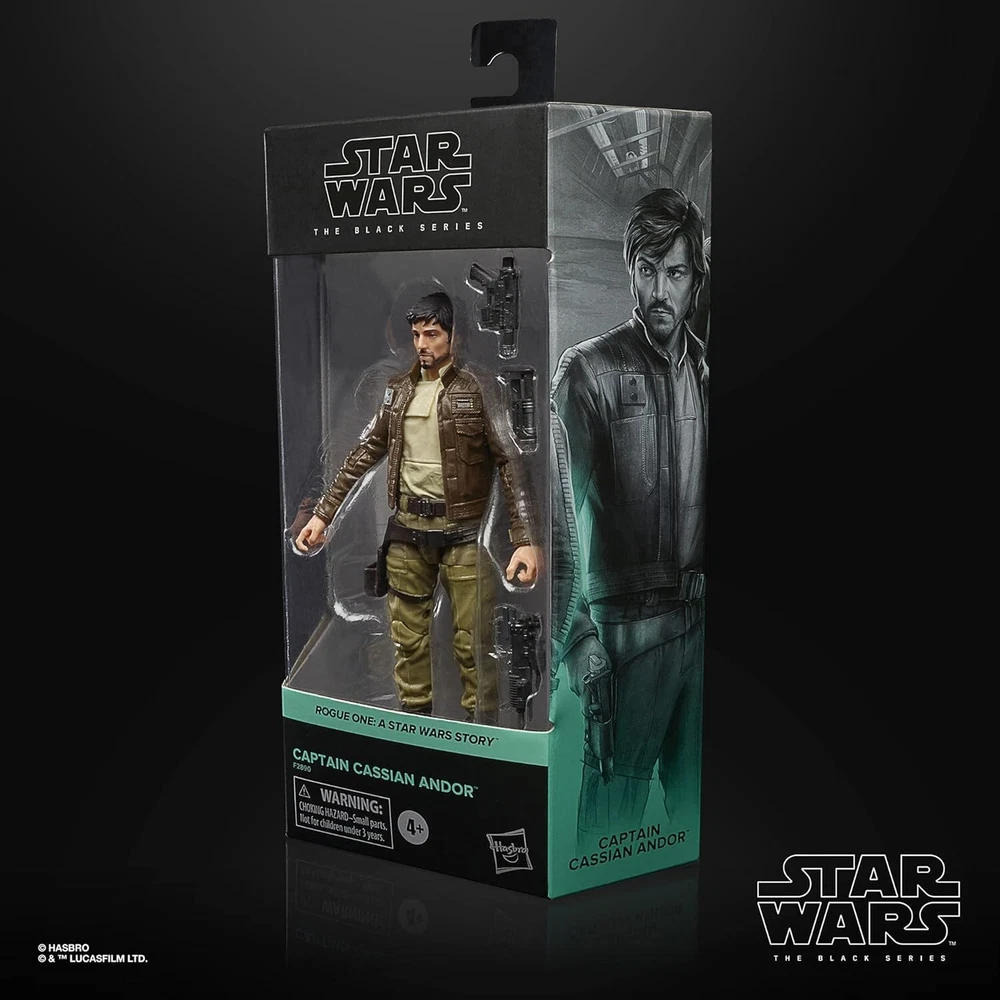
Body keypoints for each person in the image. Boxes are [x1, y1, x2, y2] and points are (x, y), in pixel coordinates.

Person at [296, 290, 539, 722]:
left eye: (432, 334)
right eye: (416, 335)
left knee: (473, 645)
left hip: (465, 535)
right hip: (407, 532)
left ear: (454, 336)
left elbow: (509, 460)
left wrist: (524, 539)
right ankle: (413, 729)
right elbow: (362, 454)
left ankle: (483, 736)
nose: (422, 344)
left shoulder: (479, 388)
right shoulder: (398, 391)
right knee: (407, 644)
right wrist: (322, 515)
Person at [552, 188, 709, 838]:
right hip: (625, 641)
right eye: (648, 270)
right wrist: (577, 639)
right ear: (631, 270)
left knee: (695, 824)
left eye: (675, 272)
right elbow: (553, 519)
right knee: (605, 835)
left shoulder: (706, 372)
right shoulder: (588, 372)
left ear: (695, 279)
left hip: (699, 630)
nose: (660, 290)